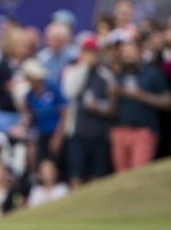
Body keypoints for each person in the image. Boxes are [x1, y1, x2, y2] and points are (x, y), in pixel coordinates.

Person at [110, 40, 171, 172]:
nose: (128, 56)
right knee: (120, 176)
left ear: (140, 53)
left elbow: (167, 102)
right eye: (125, 53)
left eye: (131, 52)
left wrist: (140, 95)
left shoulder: (154, 74)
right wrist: (113, 96)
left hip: (144, 131)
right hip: (120, 130)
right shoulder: (119, 76)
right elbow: (113, 111)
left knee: (138, 173)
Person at [62, 37, 115, 188]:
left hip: (99, 133)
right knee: (76, 176)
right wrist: (84, 67)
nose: (90, 55)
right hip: (78, 133)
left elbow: (112, 105)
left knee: (98, 177)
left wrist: (99, 107)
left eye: (93, 52)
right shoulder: (72, 70)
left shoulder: (106, 75)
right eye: (87, 52)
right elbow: (70, 92)